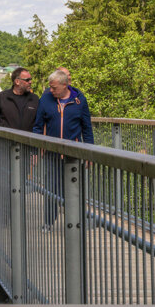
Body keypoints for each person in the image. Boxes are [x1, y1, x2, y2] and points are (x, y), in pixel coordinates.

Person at [32, 69, 94, 228]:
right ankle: (48, 223)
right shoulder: (46, 99)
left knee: (74, 189)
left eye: (54, 88)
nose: (50, 90)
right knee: (51, 189)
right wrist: (35, 151)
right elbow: (38, 127)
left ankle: (75, 222)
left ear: (65, 85)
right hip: (51, 153)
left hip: (72, 154)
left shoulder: (80, 100)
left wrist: (89, 153)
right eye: (50, 87)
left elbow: (87, 128)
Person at [0, 67, 39, 132]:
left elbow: (40, 123)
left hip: (27, 141)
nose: (30, 82)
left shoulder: (34, 99)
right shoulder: (2, 97)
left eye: (30, 79)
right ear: (17, 81)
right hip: (5, 141)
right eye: (27, 80)